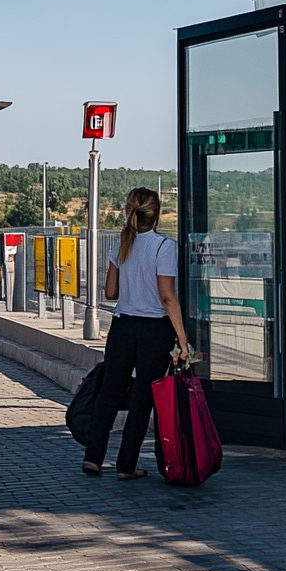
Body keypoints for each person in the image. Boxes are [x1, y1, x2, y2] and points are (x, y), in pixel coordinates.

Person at [82, 187, 189, 480]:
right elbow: (168, 297)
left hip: (122, 326)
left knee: (109, 392)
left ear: (129, 210)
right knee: (144, 396)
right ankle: (126, 465)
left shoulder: (121, 243)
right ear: (158, 214)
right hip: (155, 329)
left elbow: (111, 292)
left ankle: (93, 458)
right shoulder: (164, 247)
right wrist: (182, 337)